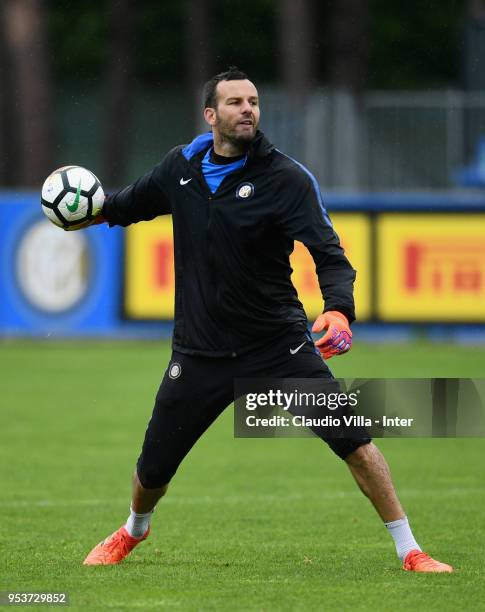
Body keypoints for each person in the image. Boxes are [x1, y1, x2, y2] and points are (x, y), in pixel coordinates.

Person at [82, 67, 452, 573]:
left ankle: (410, 549)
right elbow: (127, 205)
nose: (248, 109)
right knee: (154, 466)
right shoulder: (181, 169)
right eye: (235, 102)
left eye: (253, 101)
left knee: (354, 440)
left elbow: (330, 254)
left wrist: (339, 309)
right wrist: (86, 210)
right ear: (210, 115)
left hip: (277, 347)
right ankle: (133, 531)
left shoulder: (285, 179)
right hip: (200, 351)